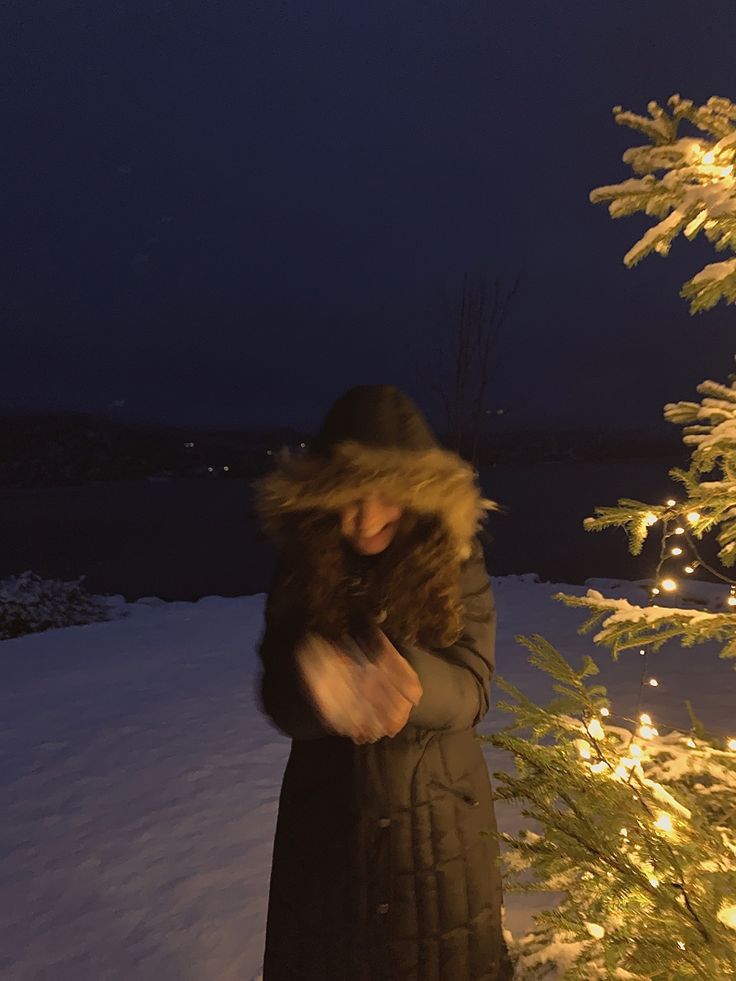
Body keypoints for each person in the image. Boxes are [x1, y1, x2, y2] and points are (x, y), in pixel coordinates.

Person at [252, 384, 514, 981]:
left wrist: (414, 682)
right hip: (328, 824)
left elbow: (474, 689)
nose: (366, 518)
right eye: (348, 497)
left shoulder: (455, 561)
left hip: (439, 822)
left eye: (386, 495)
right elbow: (275, 694)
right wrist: (313, 689)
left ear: (418, 495)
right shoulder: (302, 568)